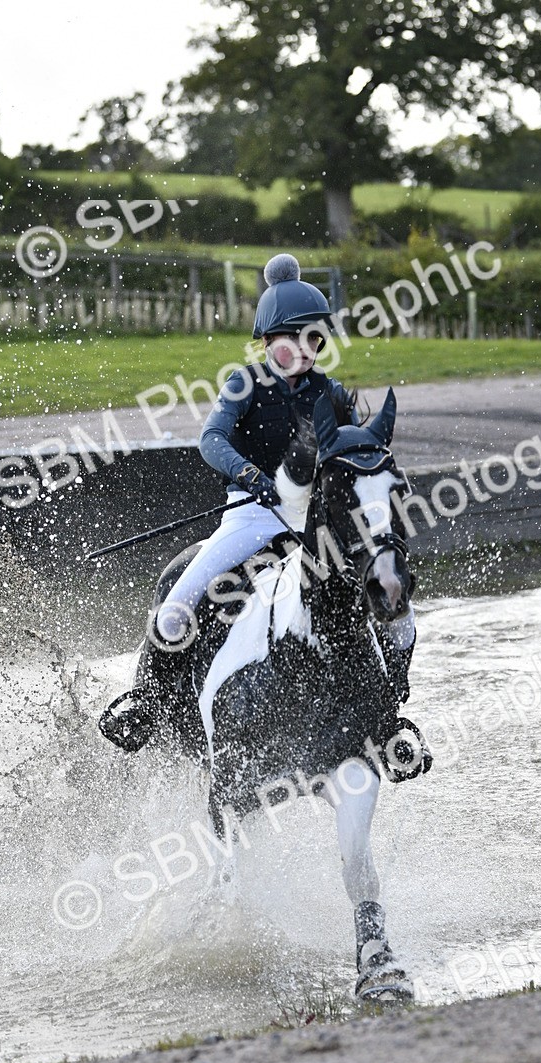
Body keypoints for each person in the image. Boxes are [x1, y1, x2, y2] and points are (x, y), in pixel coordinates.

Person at [100, 253, 414, 752]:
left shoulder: (331, 394)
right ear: (268, 340)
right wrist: (249, 475)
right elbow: (211, 440)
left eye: (315, 339)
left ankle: (389, 719)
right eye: (295, 338)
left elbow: (356, 454)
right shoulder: (244, 384)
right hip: (251, 515)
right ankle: (147, 701)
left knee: (400, 617)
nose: (307, 349)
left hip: (312, 524)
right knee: (176, 610)